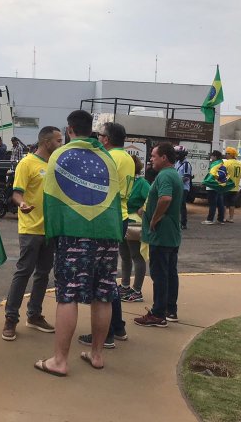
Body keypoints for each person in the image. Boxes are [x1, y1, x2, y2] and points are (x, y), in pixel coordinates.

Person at [33, 110, 123, 376]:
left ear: (70, 129)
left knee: (68, 294)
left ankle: (60, 360)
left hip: (74, 231)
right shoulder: (106, 156)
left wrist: (53, 232)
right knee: (103, 294)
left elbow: (50, 197)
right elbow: (115, 196)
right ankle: (97, 354)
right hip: (107, 231)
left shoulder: (60, 155)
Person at [1, 126, 63, 341]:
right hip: (31, 229)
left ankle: (34, 315)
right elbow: (16, 194)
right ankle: (10, 319)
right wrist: (22, 204)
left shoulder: (56, 165)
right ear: (46, 142)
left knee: (43, 274)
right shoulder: (27, 163)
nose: (61, 144)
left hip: (51, 230)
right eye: (58, 140)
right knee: (23, 272)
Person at [78, 121, 133, 350]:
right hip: (121, 215)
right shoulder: (127, 158)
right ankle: (117, 327)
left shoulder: (109, 158)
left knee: (101, 278)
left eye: (100, 136)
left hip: (108, 218)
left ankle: (106, 333)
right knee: (108, 276)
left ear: (107, 139)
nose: (98, 139)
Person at [134, 142, 183, 327]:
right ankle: (170, 309)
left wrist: (154, 219)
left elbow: (165, 198)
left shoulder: (164, 176)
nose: (151, 159)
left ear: (164, 157)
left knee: (160, 274)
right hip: (171, 233)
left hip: (161, 233)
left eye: (154, 156)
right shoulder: (173, 174)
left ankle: (158, 313)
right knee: (170, 272)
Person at [120, 155, 150, 303]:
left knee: (136, 256)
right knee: (125, 255)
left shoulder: (141, 183)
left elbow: (152, 198)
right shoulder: (126, 180)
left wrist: (142, 208)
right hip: (122, 220)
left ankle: (137, 290)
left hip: (134, 223)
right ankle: (125, 285)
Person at [202, 150, 227, 225]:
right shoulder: (221, 164)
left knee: (212, 204)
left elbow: (211, 176)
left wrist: (205, 182)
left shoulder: (214, 164)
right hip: (219, 186)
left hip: (212, 186)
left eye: (212, 156)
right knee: (220, 203)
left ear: (215, 157)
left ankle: (210, 219)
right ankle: (221, 219)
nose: (211, 157)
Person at [223, 147, 241, 223]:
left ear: (232, 155)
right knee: (232, 204)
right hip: (235, 187)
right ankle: (231, 218)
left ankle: (223, 217)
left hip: (226, 186)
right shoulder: (239, 163)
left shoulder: (226, 163)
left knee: (224, 203)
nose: (226, 155)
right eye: (226, 153)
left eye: (227, 153)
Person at [174, 146, 193, 229]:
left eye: (178, 153)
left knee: (181, 205)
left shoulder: (186, 165)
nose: (176, 155)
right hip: (177, 187)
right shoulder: (177, 163)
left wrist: (176, 182)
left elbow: (186, 177)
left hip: (183, 188)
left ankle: (183, 223)